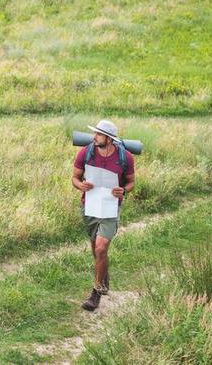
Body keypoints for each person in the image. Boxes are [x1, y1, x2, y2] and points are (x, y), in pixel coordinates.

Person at [72, 120, 135, 311]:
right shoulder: (86, 152)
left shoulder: (125, 157)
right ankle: (104, 277)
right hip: (89, 206)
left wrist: (123, 190)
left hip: (110, 207)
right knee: (95, 248)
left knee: (101, 248)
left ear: (108, 138)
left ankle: (96, 293)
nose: (94, 137)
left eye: (98, 134)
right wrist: (80, 185)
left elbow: (132, 182)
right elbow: (75, 177)